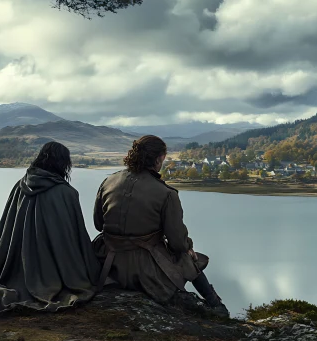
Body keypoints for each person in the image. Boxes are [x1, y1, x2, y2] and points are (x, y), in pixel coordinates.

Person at [0, 142, 102, 314]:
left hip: (16, 265)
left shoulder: (20, 186)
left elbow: (7, 229)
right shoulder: (66, 193)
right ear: (63, 163)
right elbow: (74, 236)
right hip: (53, 270)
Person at [92, 135, 229, 317]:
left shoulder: (108, 181)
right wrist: (188, 246)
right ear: (158, 159)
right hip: (142, 272)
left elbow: (98, 224)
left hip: (106, 263)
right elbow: (177, 243)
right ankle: (216, 306)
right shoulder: (166, 194)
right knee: (185, 255)